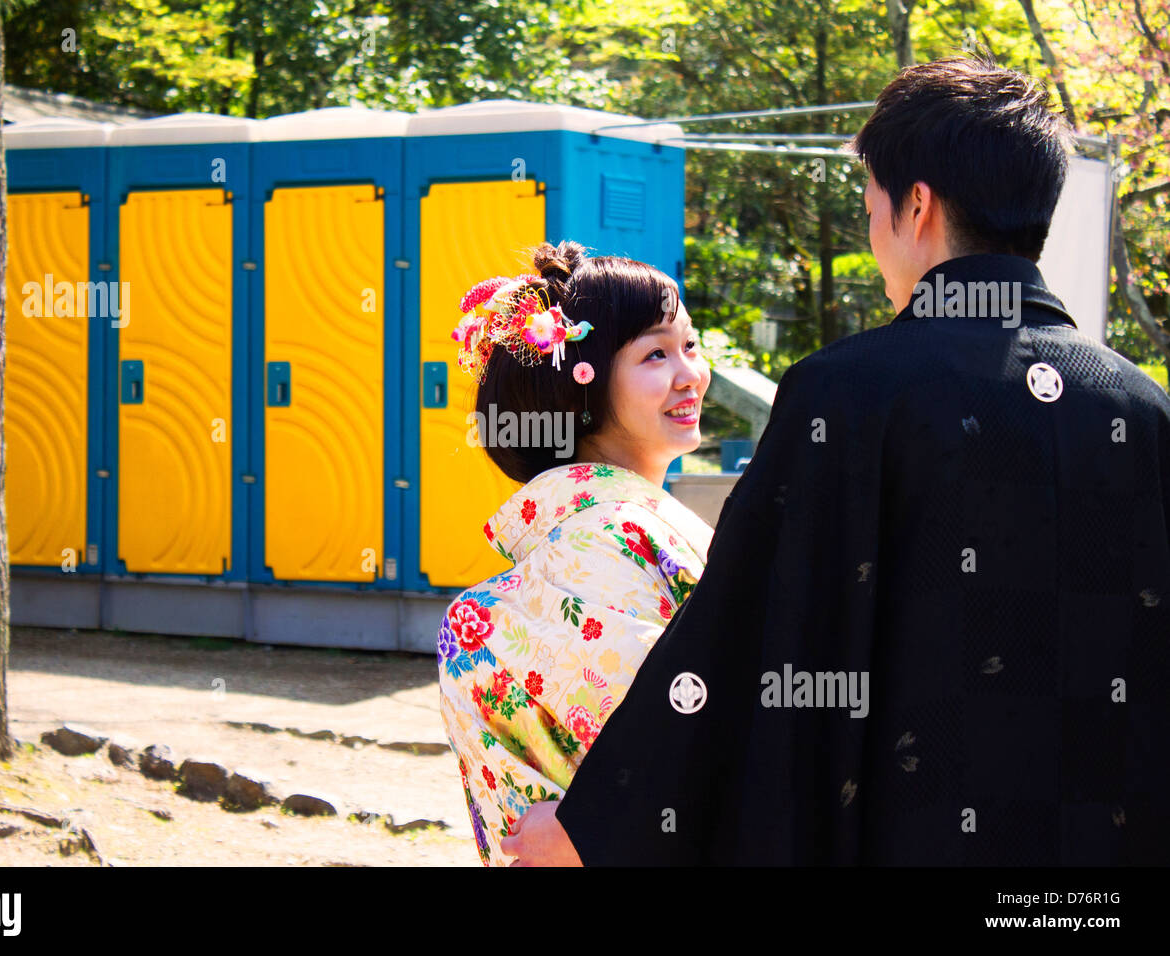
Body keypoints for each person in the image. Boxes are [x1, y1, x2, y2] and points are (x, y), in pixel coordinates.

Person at [503, 56, 1170, 866]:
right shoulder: (1142, 409)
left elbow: (737, 641)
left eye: (870, 206)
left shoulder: (847, 394)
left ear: (915, 205)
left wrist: (591, 830)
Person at [436, 240, 715, 864]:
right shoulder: (627, 540)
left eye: (691, 345)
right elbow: (717, 740)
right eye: (655, 354)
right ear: (581, 390)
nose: (691, 373)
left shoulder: (480, 612)